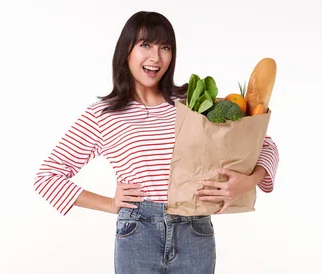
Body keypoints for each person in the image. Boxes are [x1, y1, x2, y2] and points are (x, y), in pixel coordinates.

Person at [33, 11, 279, 273]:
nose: (155, 57)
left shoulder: (192, 103)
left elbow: (264, 144)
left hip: (194, 231)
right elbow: (47, 177)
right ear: (125, 50)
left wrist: (248, 181)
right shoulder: (103, 114)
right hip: (137, 231)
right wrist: (110, 203)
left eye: (165, 47)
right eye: (145, 45)